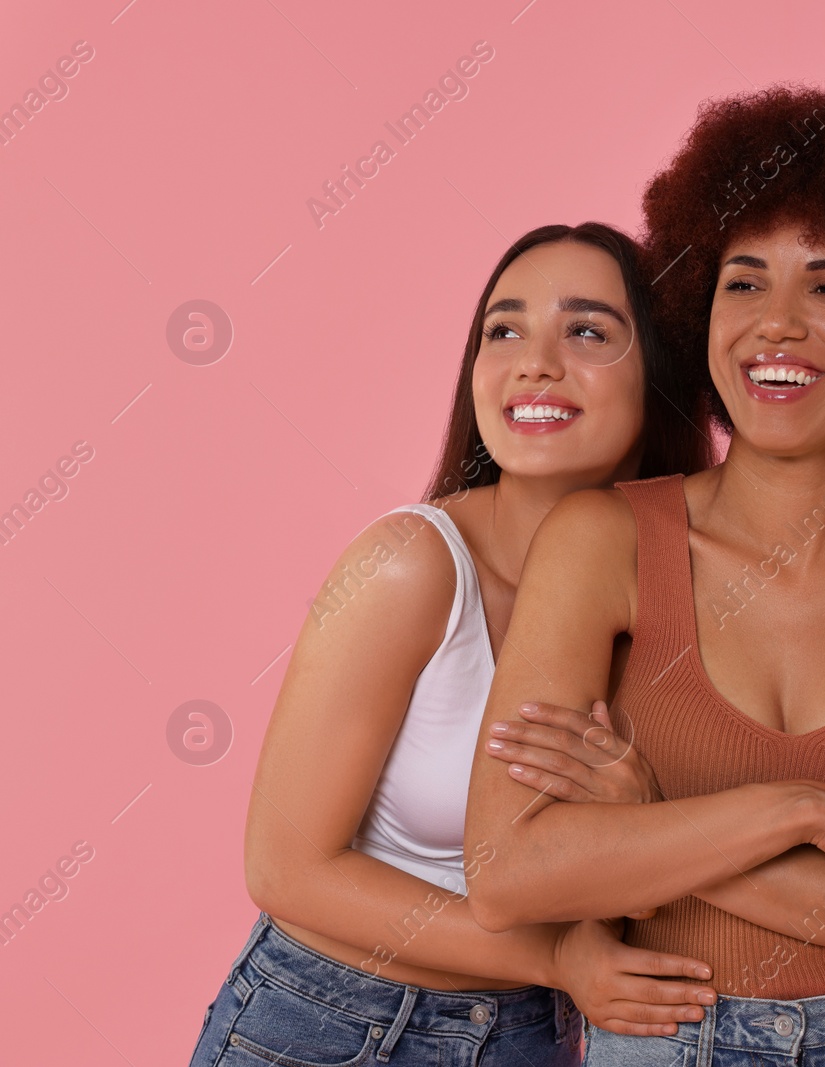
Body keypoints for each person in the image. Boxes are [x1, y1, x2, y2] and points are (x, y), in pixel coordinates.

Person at [463, 87, 825, 1065]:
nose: (777, 323)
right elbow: (511, 870)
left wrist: (644, 827)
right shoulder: (603, 541)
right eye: (744, 282)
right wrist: (807, 810)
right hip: (663, 1040)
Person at [187, 223, 717, 1067]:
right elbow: (285, 867)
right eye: (502, 330)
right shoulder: (412, 566)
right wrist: (553, 958)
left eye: (586, 331)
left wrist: (641, 818)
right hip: (330, 1025)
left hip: (534, 1038)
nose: (534, 361)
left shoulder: (689, 597)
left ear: (662, 376)